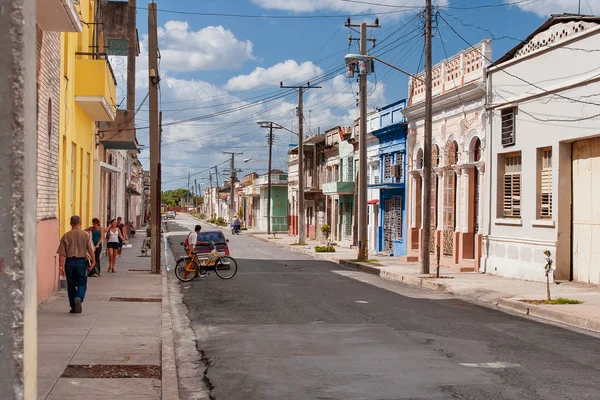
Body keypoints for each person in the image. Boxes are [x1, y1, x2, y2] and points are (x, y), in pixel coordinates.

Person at [57, 215, 96, 314]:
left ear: (70, 223)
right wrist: (93, 261)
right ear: (80, 223)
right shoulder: (86, 235)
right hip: (81, 262)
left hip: (69, 262)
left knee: (70, 285)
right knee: (82, 283)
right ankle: (79, 297)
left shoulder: (66, 236)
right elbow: (91, 250)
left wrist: (60, 266)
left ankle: (73, 307)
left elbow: (62, 253)